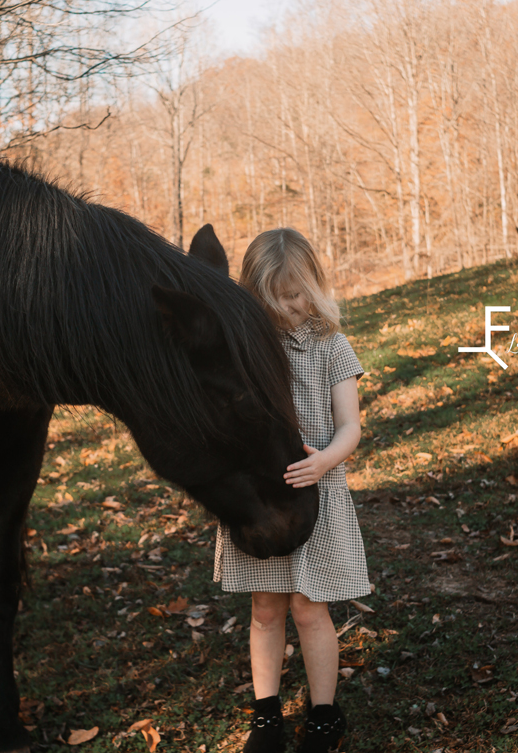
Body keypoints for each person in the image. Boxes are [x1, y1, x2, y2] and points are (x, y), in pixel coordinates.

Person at [214, 228, 371, 753]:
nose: (286, 307)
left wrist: (325, 460)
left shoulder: (332, 346)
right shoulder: (245, 348)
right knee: (265, 607)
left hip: (318, 500)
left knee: (309, 606)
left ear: (314, 286)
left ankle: (325, 715)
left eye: (296, 293)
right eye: (273, 297)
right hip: (263, 501)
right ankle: (266, 717)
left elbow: (350, 426)